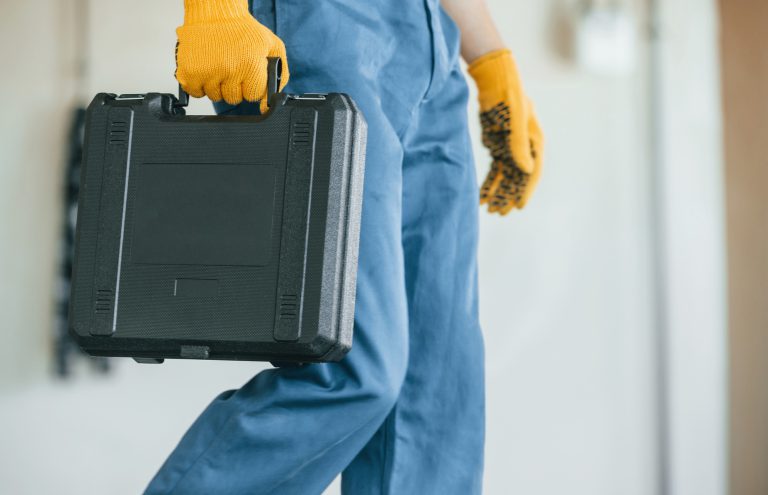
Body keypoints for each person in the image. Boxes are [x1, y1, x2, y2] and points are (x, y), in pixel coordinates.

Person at [145, 0, 542, 493]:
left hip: (433, 50)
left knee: (437, 384)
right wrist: (212, 7)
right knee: (353, 368)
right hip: (319, 29)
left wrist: (491, 59)